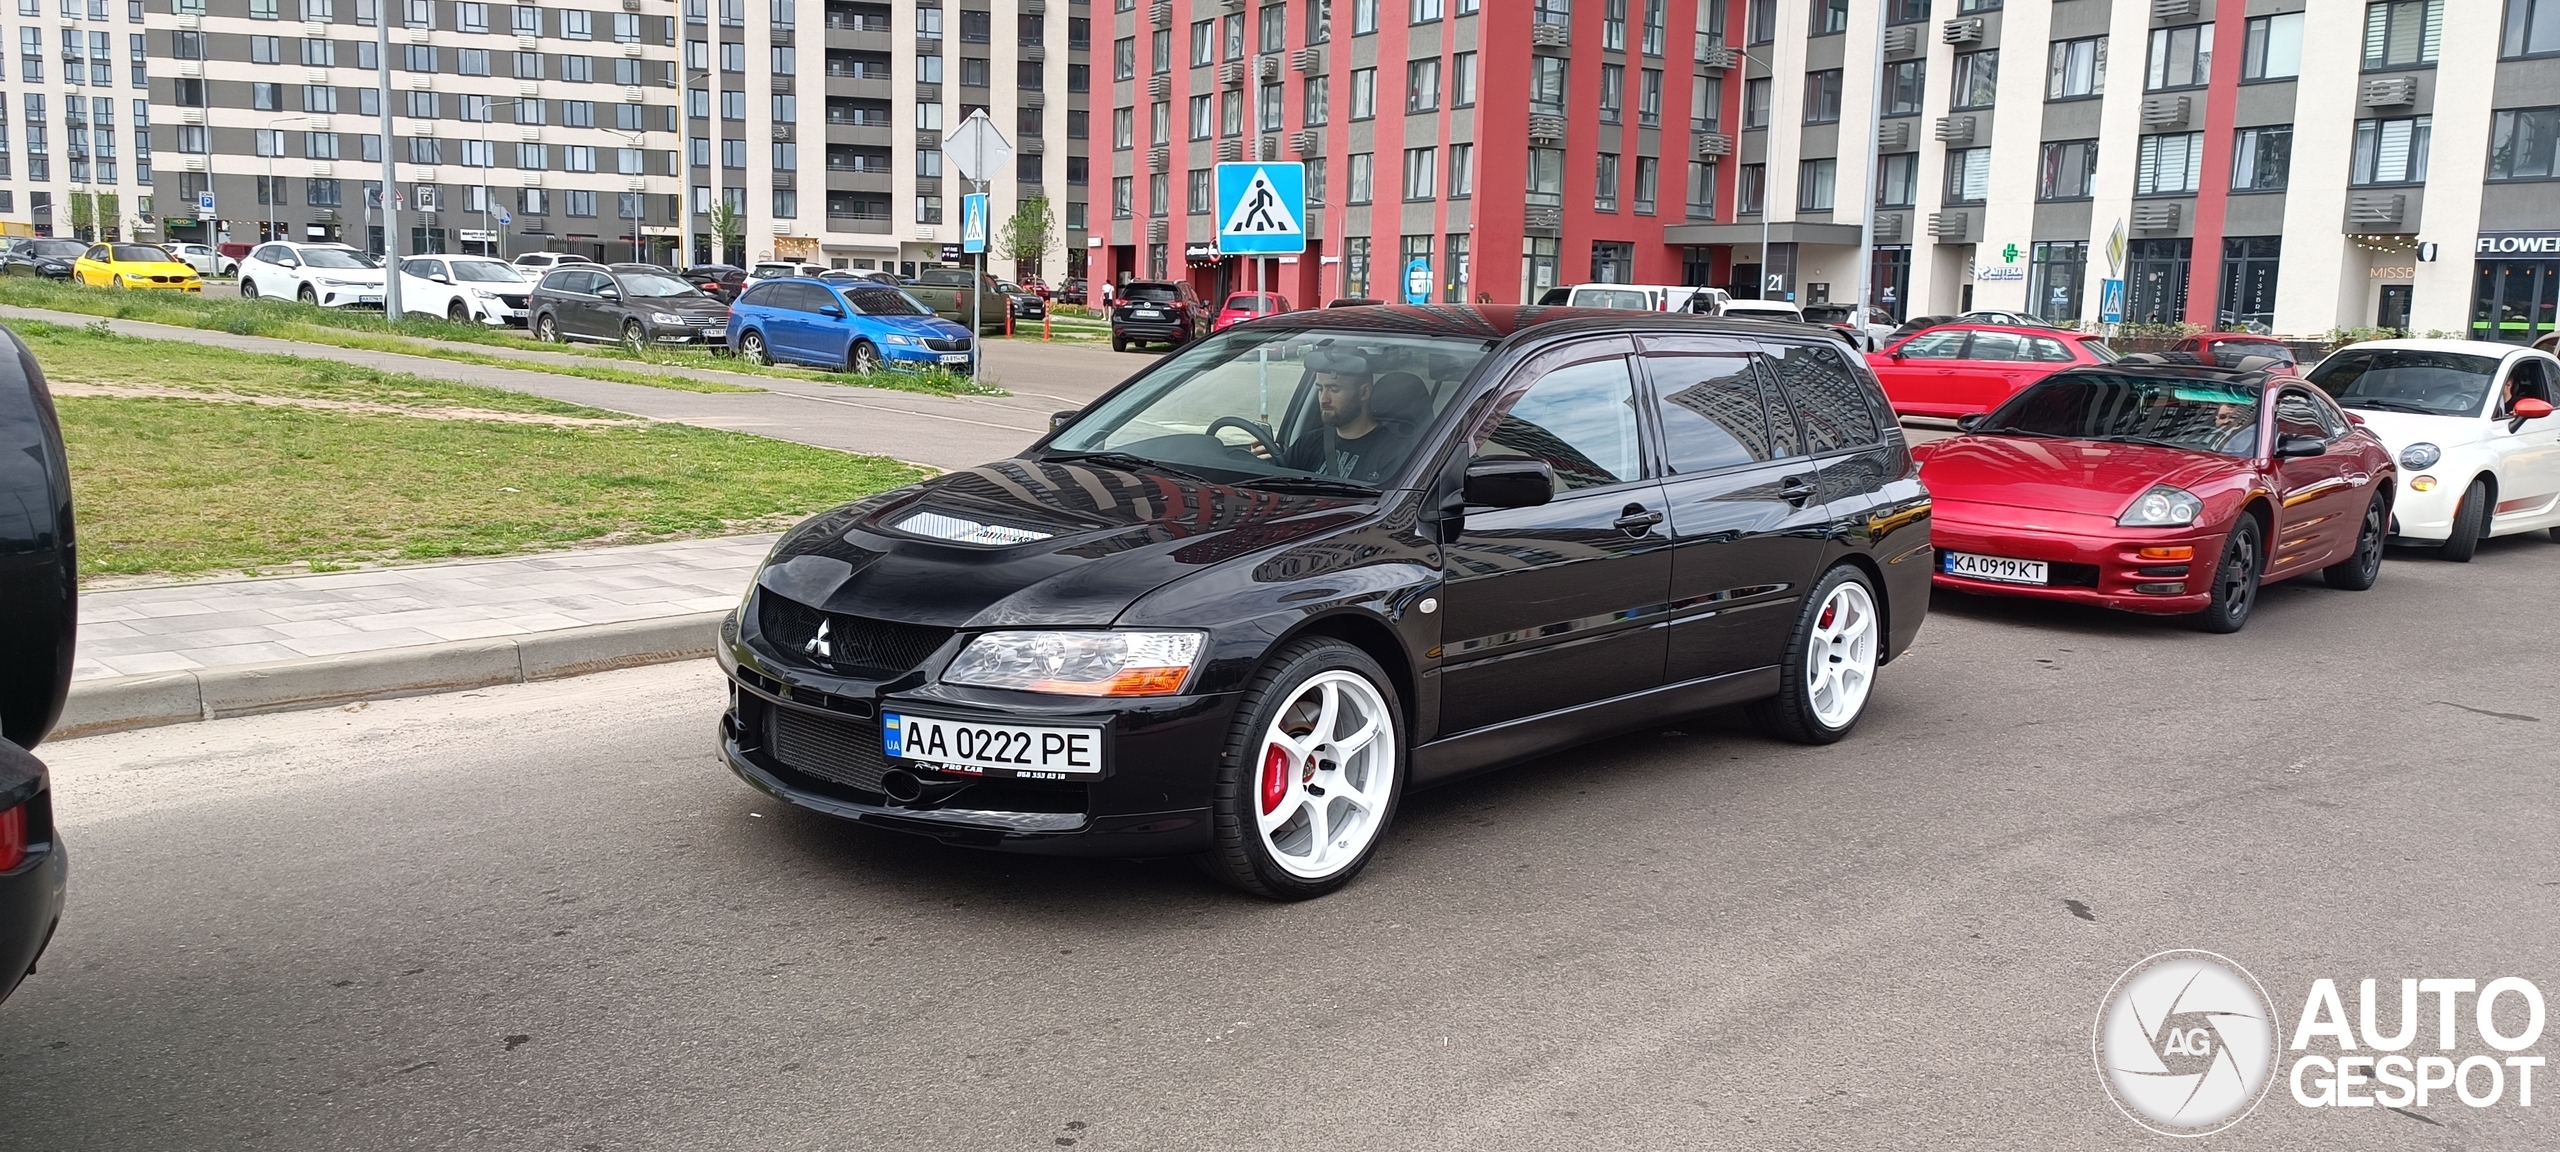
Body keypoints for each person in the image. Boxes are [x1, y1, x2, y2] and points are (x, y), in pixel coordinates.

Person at [1272, 352, 1422, 485]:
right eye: (1320, 389)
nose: (1324, 399)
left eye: (1334, 389)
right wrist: (1267, 459)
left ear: (1364, 392)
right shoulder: (1308, 443)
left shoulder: (1392, 453)